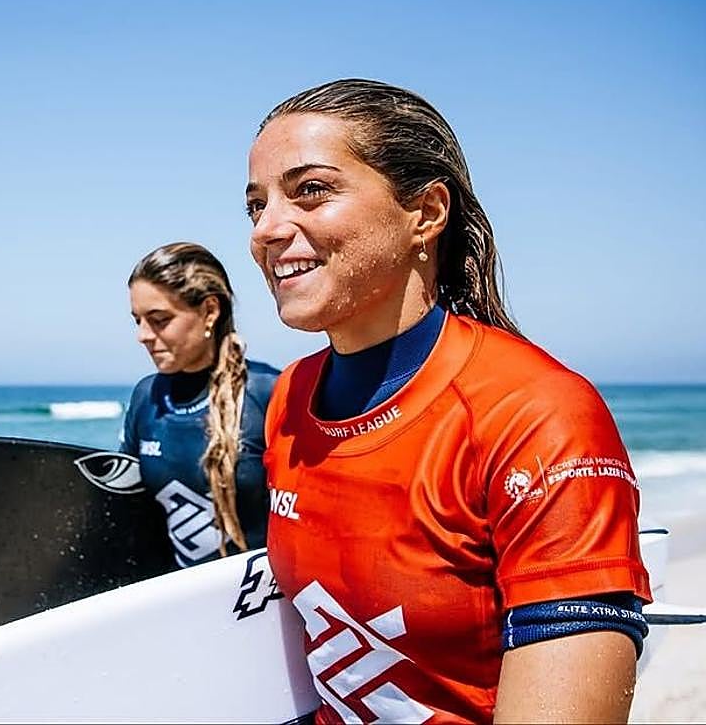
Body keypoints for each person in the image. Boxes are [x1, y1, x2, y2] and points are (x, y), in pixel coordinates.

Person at [245, 79, 650, 723]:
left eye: (310, 192)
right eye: (255, 206)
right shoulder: (288, 399)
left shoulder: (535, 414)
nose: (267, 230)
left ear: (427, 214)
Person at [120, 242, 280, 568]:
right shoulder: (146, 397)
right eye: (137, 320)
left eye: (159, 319)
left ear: (210, 311)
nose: (143, 335)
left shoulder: (269, 393)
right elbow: (129, 512)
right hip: (182, 604)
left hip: (261, 605)